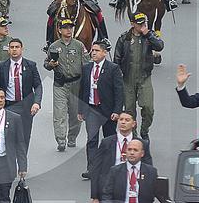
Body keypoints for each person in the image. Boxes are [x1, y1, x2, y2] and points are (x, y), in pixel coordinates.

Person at [78, 41, 123, 179]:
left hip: (108, 111)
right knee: (91, 140)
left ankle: (110, 168)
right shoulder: (86, 68)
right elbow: (83, 89)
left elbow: (119, 91)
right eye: (92, 50)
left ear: (104, 52)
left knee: (109, 140)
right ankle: (92, 169)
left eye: (97, 50)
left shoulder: (113, 68)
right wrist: (81, 110)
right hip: (92, 109)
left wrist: (117, 110)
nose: (94, 53)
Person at [113, 12, 162, 139]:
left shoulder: (149, 36)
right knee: (129, 110)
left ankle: (144, 130)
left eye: (144, 23)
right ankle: (133, 136)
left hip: (144, 77)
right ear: (132, 24)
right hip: (127, 78)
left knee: (148, 107)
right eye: (139, 24)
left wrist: (149, 34)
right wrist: (117, 79)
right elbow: (116, 59)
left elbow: (160, 46)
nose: (142, 26)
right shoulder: (124, 38)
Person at [45, 19, 88, 152]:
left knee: (75, 114)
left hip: (76, 83)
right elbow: (46, 63)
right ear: (59, 30)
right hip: (60, 84)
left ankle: (72, 137)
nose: (68, 30)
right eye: (65, 28)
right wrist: (50, 64)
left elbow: (87, 64)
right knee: (59, 113)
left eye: (70, 27)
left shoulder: (79, 46)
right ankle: (61, 139)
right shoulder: (53, 46)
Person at [0, 38, 42, 149]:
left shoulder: (30, 65)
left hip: (26, 106)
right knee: (8, 135)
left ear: (22, 49)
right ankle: (10, 161)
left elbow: (38, 86)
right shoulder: (2, 66)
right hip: (9, 106)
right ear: (8, 50)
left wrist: (36, 103)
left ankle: (22, 162)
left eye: (17, 47)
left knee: (24, 136)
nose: (14, 50)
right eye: (12, 47)